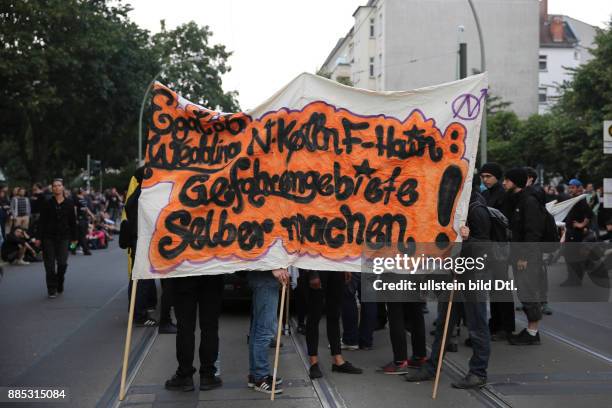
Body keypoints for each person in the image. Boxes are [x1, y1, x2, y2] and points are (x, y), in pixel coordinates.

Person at [405, 188, 492, 388]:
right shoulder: (453, 206)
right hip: (453, 274)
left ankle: (478, 372)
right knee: (444, 323)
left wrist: (468, 240)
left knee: (477, 325)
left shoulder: (476, 210)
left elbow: (484, 248)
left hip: (472, 276)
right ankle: (433, 366)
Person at [503, 168, 545, 345]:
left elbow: (532, 232)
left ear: (516, 182)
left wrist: (524, 257)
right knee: (523, 290)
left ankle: (533, 332)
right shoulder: (518, 199)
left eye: (507, 180)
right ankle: (531, 330)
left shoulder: (528, 201)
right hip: (519, 254)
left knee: (528, 291)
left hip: (526, 256)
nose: (504, 183)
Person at [479, 163, 515, 340]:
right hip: (489, 245)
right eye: (483, 176)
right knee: (493, 287)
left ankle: (505, 326)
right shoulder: (485, 194)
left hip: (500, 246)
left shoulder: (504, 195)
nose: (485, 180)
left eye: (488, 176)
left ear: (497, 177)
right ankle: (495, 322)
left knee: (501, 286)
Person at [304, 269, 363, 379]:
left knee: (334, 313)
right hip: (317, 264)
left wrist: (345, 267)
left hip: (336, 265)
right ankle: (313, 361)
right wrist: (312, 272)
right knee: (314, 314)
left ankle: (337, 358)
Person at [247, 268, 290, 394]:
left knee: (258, 329)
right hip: (266, 277)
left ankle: (256, 374)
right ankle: (261, 377)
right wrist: (273, 269)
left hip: (263, 277)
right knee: (264, 330)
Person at [39, 179, 78, 298]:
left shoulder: (70, 203)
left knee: (62, 263)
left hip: (64, 237)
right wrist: (38, 238)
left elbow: (72, 221)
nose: (56, 188)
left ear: (63, 188)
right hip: (48, 237)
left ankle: (59, 281)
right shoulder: (47, 203)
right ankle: (51, 288)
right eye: (54, 186)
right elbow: (42, 221)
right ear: (52, 188)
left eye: (59, 185)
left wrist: (75, 238)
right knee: (49, 264)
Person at [560, 179, 594, 287]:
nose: (570, 189)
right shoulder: (575, 199)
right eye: (569, 187)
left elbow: (590, 214)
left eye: (573, 187)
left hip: (575, 233)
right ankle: (574, 279)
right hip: (571, 232)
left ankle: (574, 280)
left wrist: (582, 225)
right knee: (570, 256)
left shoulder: (580, 199)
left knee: (572, 256)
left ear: (579, 188)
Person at [341, 272, 377, 351]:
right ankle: (366, 341)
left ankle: (350, 340)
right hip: (371, 263)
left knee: (348, 296)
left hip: (353, 263)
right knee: (369, 299)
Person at [74, 188, 93, 256]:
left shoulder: (83, 198)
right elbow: (75, 209)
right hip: (80, 219)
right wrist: (75, 219)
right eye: (84, 190)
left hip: (85, 218)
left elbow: (86, 208)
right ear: (81, 192)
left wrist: (91, 215)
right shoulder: (76, 199)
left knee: (78, 236)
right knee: (81, 236)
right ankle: (86, 250)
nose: (85, 192)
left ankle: (73, 249)